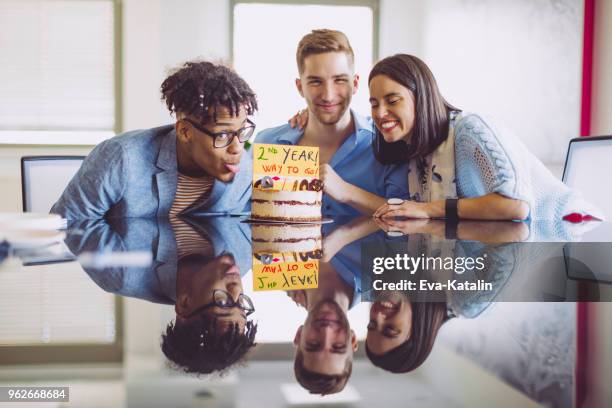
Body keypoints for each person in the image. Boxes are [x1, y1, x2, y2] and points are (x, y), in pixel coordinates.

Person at [367, 54, 600, 222]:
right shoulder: (414, 154)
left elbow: (515, 206)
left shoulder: (470, 131)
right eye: (374, 103)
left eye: (392, 100)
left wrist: (429, 209)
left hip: (571, 232)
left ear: (422, 97)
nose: (379, 113)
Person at [52, 60, 257, 220]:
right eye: (223, 135)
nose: (237, 148)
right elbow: (66, 227)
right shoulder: (122, 158)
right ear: (185, 132)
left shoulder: (246, 170)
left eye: (242, 132)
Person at [256, 29, 408, 216]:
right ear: (299, 87)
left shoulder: (387, 140)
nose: (328, 96)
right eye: (315, 82)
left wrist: (347, 192)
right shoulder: (268, 144)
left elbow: (407, 215)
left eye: (340, 80)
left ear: (356, 84)